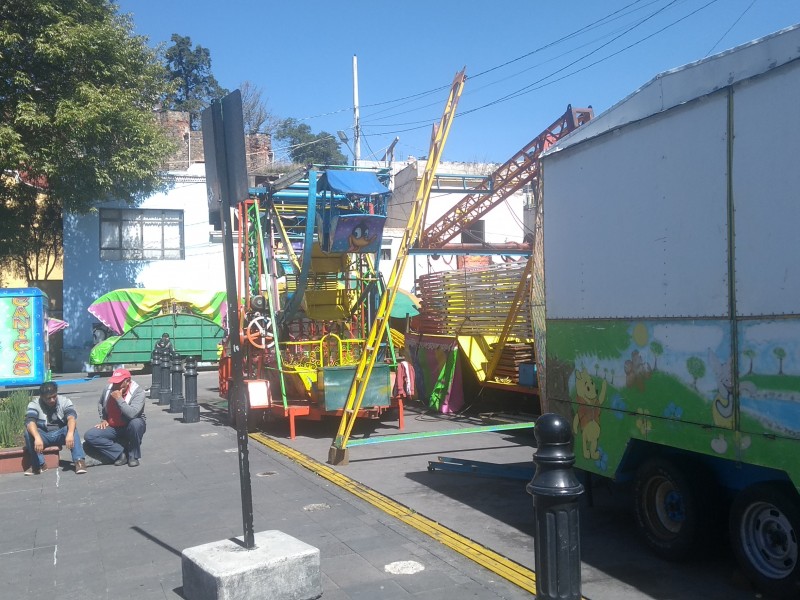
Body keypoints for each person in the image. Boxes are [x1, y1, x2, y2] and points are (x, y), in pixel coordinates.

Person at [83, 368, 146, 467]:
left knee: (136, 423)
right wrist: (103, 418)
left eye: (118, 383)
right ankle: (120, 453)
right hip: (113, 426)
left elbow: (132, 414)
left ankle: (133, 455)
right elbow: (100, 403)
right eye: (114, 382)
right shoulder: (108, 388)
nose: (115, 385)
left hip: (129, 425)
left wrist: (119, 399)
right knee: (90, 435)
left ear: (128, 381)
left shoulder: (138, 392)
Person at [24, 381, 87, 475]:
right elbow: (30, 422)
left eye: (54, 396)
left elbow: (71, 418)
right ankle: (38, 465)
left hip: (60, 433)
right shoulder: (34, 404)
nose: (52, 400)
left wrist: (69, 434)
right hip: (44, 435)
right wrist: (37, 437)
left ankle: (79, 461)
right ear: (41, 397)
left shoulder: (64, 401)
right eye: (48, 398)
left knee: (71, 428)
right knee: (28, 432)